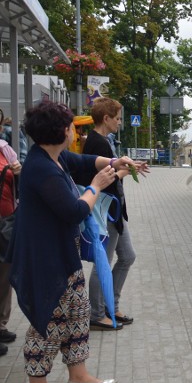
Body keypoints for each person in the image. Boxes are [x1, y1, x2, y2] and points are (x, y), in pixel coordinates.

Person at [9, 101, 148, 383]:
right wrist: (96, 187)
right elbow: (73, 211)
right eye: (70, 125)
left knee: (78, 312)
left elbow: (85, 162)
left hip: (63, 253)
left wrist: (117, 162)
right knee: (49, 320)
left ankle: (78, 375)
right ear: (59, 130)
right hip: (45, 258)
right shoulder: (41, 168)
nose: (75, 130)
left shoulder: (55, 158)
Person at [74, 98, 136, 330]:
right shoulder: (98, 143)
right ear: (106, 118)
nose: (120, 122)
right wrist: (124, 173)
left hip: (114, 212)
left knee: (128, 256)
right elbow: (105, 181)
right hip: (106, 212)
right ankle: (97, 314)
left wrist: (127, 168)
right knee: (103, 262)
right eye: (118, 118)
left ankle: (112, 305)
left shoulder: (101, 141)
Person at [0, 135, 22, 356]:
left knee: (5, 275)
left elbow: (18, 184)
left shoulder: (5, 149)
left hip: (5, 221)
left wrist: (17, 172)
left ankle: (1, 325)